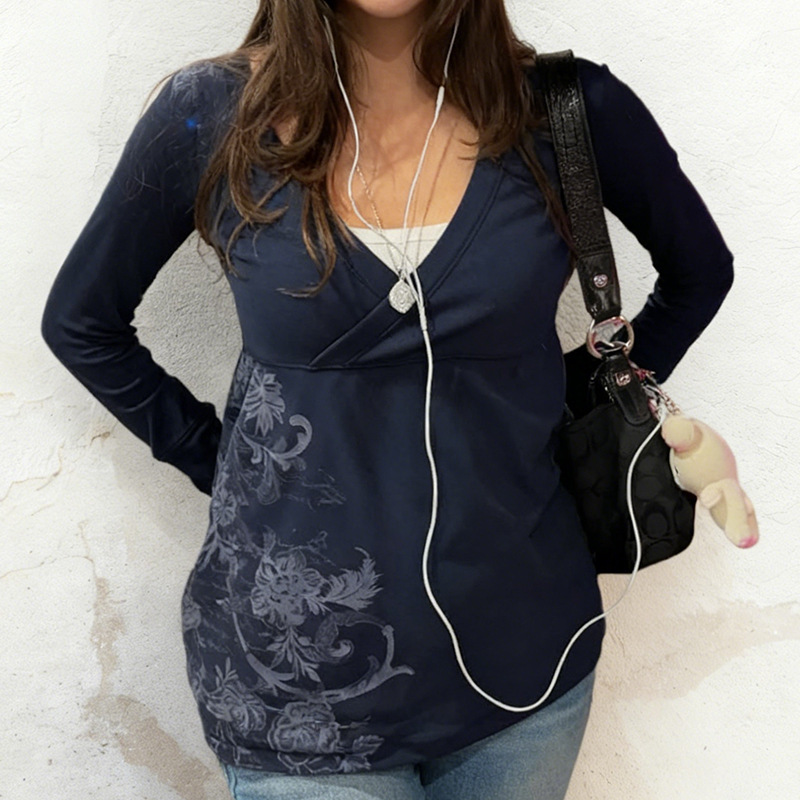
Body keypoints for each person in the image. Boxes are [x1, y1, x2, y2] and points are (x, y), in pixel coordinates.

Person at [40, 1, 735, 798]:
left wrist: (583, 408)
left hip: (525, 653)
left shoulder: (566, 112)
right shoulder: (213, 114)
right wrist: (226, 463)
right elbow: (82, 323)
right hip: (299, 687)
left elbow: (698, 273)